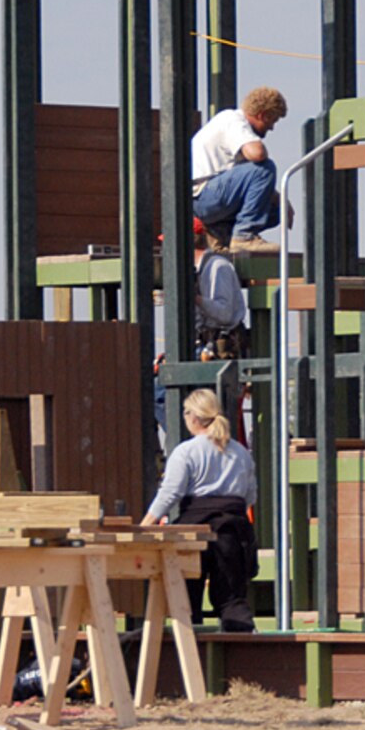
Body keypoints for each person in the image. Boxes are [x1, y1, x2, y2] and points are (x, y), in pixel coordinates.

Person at [144, 389, 257, 632]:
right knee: (232, 601)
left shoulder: (187, 451)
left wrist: (146, 525)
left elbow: (170, 493)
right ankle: (244, 658)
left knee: (186, 603)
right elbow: (250, 495)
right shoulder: (240, 453)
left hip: (192, 532)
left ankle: (189, 658)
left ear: (193, 417)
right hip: (232, 531)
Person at [191, 86, 289, 255]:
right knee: (265, 168)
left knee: (276, 211)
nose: (271, 128)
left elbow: (250, 183)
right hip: (203, 196)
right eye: (272, 121)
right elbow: (257, 154)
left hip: (210, 196)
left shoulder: (233, 126)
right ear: (262, 115)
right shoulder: (234, 121)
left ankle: (220, 235)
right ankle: (244, 237)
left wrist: (282, 201)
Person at [194, 231, 250, 360]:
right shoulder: (198, 270)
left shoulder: (218, 267)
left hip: (223, 348)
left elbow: (225, 314)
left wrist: (195, 299)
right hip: (204, 346)